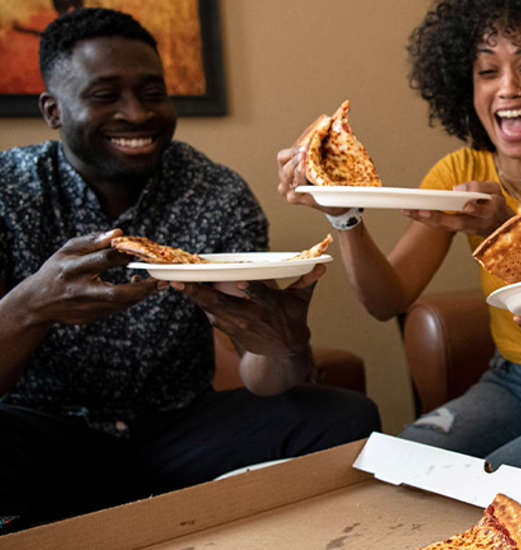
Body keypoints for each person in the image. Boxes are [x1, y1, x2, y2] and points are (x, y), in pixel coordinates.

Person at [0, 8, 380, 532]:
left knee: (345, 417)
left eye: (152, 92)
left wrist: (284, 343)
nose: (136, 114)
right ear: (53, 110)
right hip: (47, 433)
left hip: (177, 427)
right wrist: (28, 308)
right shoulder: (10, 191)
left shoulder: (215, 193)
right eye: (106, 95)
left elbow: (264, 376)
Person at [278, 0, 521, 470]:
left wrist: (508, 232)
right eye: (487, 71)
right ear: (466, 85)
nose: (508, 88)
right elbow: (387, 301)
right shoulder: (460, 170)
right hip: (510, 382)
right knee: (395, 462)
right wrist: (344, 216)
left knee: (497, 477)